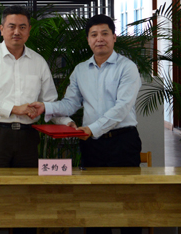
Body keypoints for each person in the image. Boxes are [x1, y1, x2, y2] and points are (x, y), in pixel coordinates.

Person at [28, 14, 142, 234]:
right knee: (95, 203)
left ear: (114, 37)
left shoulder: (127, 67)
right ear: (88, 40)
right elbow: (71, 103)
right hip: (92, 145)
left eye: (105, 33)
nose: (99, 39)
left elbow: (122, 108)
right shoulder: (80, 70)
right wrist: (45, 107)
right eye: (94, 34)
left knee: (127, 203)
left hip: (123, 141)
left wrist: (92, 129)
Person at [0, 5, 72, 169]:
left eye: (22, 27)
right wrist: (15, 109)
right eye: (11, 26)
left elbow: (49, 101)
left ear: (29, 30)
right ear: (2, 29)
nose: (17, 32)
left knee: (27, 184)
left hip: (28, 136)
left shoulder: (38, 61)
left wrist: (66, 122)